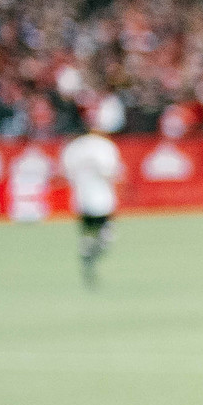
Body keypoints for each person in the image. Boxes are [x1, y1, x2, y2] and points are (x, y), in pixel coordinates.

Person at [58, 121, 123, 289]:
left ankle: (87, 254)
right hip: (102, 198)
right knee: (107, 234)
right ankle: (91, 257)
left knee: (87, 234)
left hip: (81, 198)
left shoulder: (72, 148)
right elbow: (111, 171)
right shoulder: (104, 146)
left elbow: (65, 173)